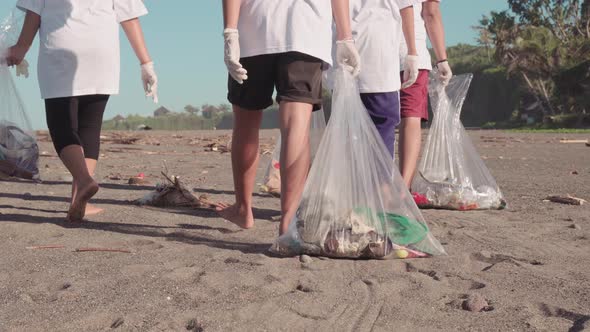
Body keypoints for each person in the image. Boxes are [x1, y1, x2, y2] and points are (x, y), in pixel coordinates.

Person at [5, 0, 159, 222]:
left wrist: (21, 48)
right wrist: (146, 63)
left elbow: (34, 13)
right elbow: (129, 16)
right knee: (90, 127)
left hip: (61, 53)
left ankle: (84, 181)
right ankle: (79, 200)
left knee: (62, 127)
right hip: (102, 54)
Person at [217, 0, 360, 235]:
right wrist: (345, 37)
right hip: (306, 31)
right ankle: (288, 221)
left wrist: (230, 31)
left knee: (245, 123)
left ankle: (243, 209)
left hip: (254, 29)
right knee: (296, 126)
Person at [349, 0, 425, 158]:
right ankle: (380, 182)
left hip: (349, 54)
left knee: (350, 135)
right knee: (381, 132)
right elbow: (406, 5)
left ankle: (361, 182)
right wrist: (412, 51)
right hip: (379, 54)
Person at [398, 0, 452, 189]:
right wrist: (442, 59)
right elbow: (430, 13)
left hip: (371, 51)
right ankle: (403, 189)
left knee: (376, 120)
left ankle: (373, 186)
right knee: (410, 118)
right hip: (411, 54)